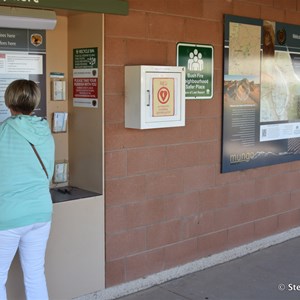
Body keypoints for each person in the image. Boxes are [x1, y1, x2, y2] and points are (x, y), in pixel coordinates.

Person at [0, 79, 55, 300]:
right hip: (41, 214)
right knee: (35, 274)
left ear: (8, 101)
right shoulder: (45, 131)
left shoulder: (4, 133)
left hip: (9, 216)